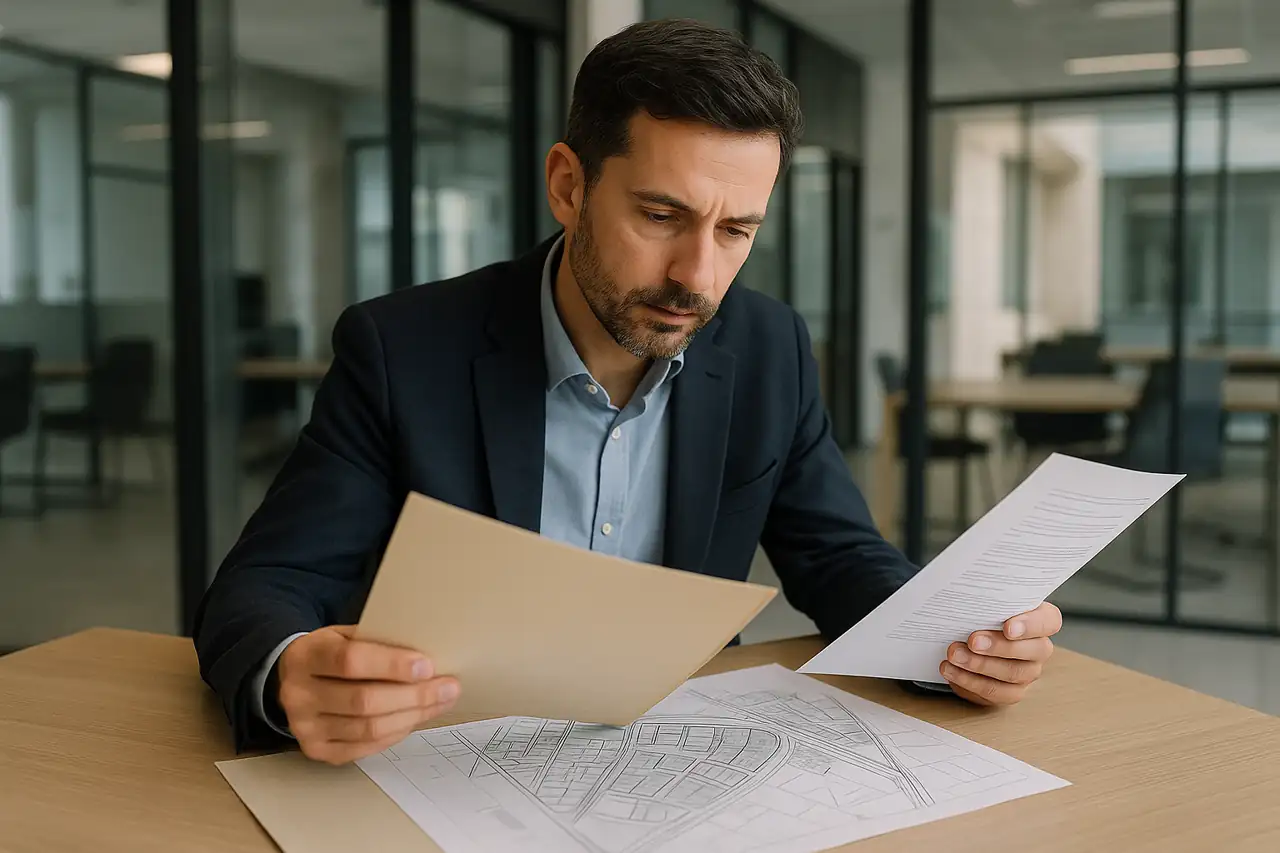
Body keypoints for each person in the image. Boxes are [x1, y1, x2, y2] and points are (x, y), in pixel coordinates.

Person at [193, 18, 1062, 766]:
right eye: (661, 216)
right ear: (568, 185)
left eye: (736, 230)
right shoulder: (403, 349)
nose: (698, 276)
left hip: (671, 753)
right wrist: (293, 672)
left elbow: (839, 556)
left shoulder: (769, 348)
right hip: (448, 752)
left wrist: (951, 640)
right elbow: (265, 585)